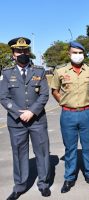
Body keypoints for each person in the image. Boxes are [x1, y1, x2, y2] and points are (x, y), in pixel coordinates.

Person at [0, 37, 51, 199]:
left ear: (29, 52)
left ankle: (43, 184)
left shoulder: (39, 71)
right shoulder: (6, 73)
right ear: (13, 54)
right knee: (19, 153)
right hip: (16, 122)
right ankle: (20, 186)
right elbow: (3, 97)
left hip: (37, 120)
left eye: (25, 50)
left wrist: (32, 111)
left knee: (42, 153)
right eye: (18, 51)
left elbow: (44, 94)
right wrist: (18, 112)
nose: (22, 53)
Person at [50, 41, 89, 193]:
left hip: (86, 113)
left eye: (80, 53)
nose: (77, 55)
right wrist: (65, 102)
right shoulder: (60, 71)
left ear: (84, 54)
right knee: (70, 148)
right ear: (69, 54)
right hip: (68, 114)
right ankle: (69, 178)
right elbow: (55, 90)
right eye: (74, 52)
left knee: (88, 147)